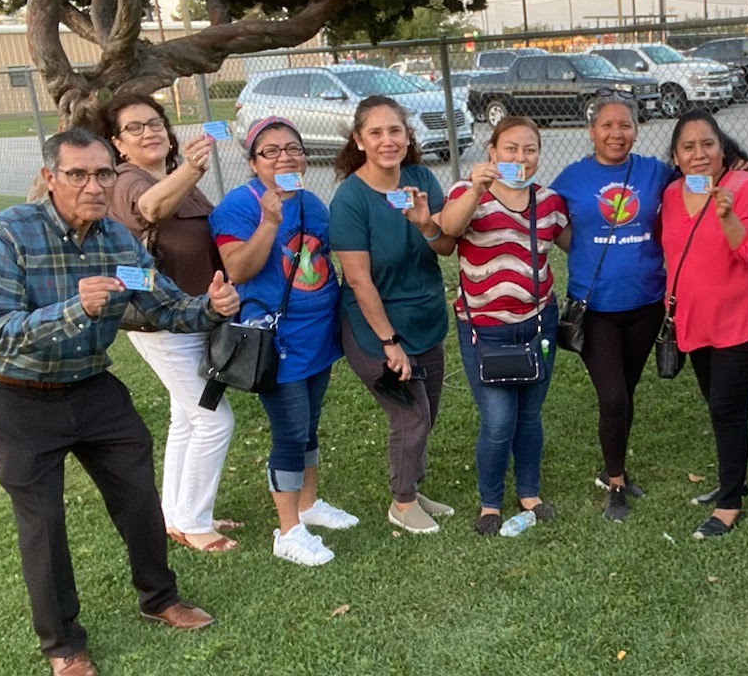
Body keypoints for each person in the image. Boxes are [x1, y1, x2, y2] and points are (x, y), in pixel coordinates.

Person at [0, 128, 237, 676]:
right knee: (43, 521)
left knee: (138, 496)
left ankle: (159, 598)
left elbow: (165, 307)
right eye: (77, 174)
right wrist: (75, 309)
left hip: (92, 388)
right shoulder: (9, 233)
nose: (93, 186)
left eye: (103, 174)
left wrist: (209, 308)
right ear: (51, 179)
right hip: (18, 397)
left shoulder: (117, 240)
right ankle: (63, 644)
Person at [210, 116, 355, 567]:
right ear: (253, 162)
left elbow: (326, 257)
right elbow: (237, 270)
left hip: (318, 335)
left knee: (309, 425)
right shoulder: (239, 205)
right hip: (277, 340)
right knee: (289, 431)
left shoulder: (313, 202)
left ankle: (309, 504)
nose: (284, 157)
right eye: (270, 151)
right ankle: (288, 529)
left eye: (292, 148)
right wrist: (269, 223)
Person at [101, 94, 240, 554]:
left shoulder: (182, 177)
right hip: (161, 323)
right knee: (213, 420)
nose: (149, 132)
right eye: (135, 128)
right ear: (119, 145)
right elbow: (152, 210)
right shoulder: (127, 181)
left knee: (186, 417)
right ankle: (196, 524)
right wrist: (192, 170)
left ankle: (176, 514)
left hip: (200, 314)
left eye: (156, 123)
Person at [434, 117, 570, 535]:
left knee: (529, 415)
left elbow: (574, 243)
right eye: (510, 148)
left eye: (529, 149)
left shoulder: (549, 202)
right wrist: (476, 188)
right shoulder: (467, 191)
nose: (520, 157)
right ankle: (489, 500)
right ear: (492, 152)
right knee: (497, 421)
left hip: (538, 325)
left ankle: (529, 491)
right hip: (484, 330)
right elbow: (448, 231)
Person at [328, 96, 456, 534]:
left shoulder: (421, 178)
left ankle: (413, 489)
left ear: (407, 136)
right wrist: (388, 343)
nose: (388, 140)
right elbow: (359, 279)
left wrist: (426, 224)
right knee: (410, 415)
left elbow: (445, 246)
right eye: (376, 133)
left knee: (428, 412)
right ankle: (402, 504)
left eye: (395, 131)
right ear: (359, 141)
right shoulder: (350, 199)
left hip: (426, 318)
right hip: (374, 328)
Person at [551, 95, 673, 522]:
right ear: (592, 131)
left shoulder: (655, 172)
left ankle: (614, 464)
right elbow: (549, 222)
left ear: (636, 130)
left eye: (625, 125)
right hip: (595, 307)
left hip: (646, 302)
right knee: (614, 394)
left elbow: (698, 179)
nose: (616, 134)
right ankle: (615, 481)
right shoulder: (571, 178)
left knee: (626, 390)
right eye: (607, 126)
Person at [661, 110, 748, 540]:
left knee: (725, 407)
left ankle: (729, 503)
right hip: (696, 322)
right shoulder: (672, 194)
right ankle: (732, 477)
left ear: (723, 148)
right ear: (676, 156)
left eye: (707, 145)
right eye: (688, 147)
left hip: (743, 320)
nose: (699, 155)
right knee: (718, 403)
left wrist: (726, 214)